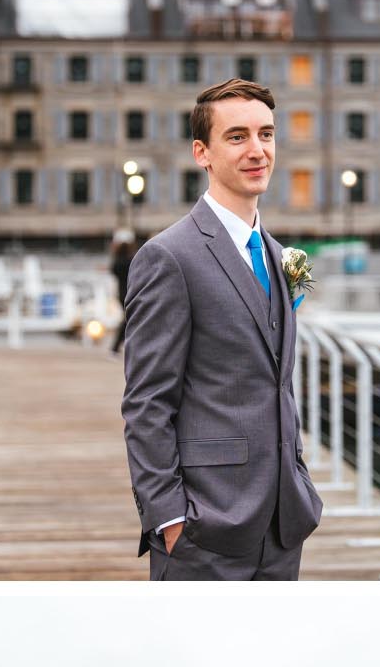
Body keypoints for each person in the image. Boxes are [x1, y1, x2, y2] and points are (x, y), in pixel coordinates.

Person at [122, 78, 324, 580]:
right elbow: (146, 403)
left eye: (266, 134)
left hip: (283, 526)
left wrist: (297, 480)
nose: (257, 150)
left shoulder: (282, 259)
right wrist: (169, 518)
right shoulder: (168, 257)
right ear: (202, 153)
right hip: (203, 529)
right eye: (237, 137)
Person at [107, 229, 133, 356]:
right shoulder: (130, 260)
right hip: (130, 292)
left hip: (121, 293)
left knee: (128, 319)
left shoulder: (117, 261)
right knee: (129, 319)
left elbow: (113, 271)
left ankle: (116, 347)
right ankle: (116, 347)